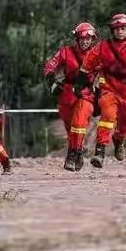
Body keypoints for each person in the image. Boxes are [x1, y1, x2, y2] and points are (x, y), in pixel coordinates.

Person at [74, 14, 126, 168]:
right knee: (107, 115)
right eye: (116, 29)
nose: (120, 31)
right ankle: (99, 153)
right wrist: (80, 82)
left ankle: (119, 139)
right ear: (112, 30)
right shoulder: (102, 46)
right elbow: (87, 64)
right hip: (109, 87)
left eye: (123, 28)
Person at [43, 22, 98, 171]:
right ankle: (78, 151)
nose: (85, 41)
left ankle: (71, 155)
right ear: (77, 39)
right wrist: (52, 82)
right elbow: (49, 67)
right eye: (82, 38)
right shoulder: (65, 52)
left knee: (79, 124)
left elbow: (108, 74)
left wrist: (102, 95)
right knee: (70, 129)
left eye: (88, 39)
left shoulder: (99, 55)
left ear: (93, 40)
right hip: (67, 94)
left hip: (86, 94)